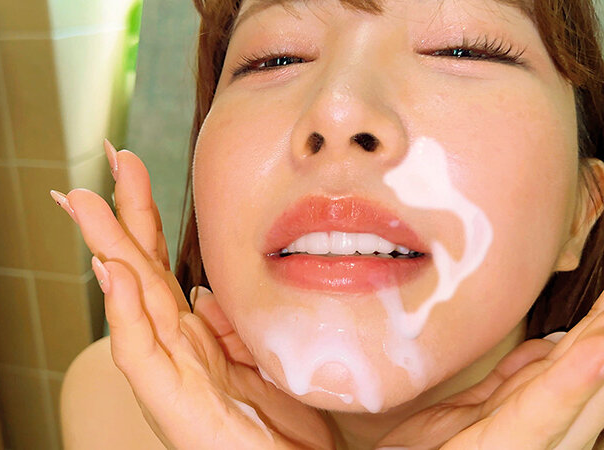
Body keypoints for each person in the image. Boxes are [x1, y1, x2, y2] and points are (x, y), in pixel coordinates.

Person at [52, 0, 604, 448]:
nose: (338, 109)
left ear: (582, 210)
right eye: (275, 58)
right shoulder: (111, 404)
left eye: (460, 49)